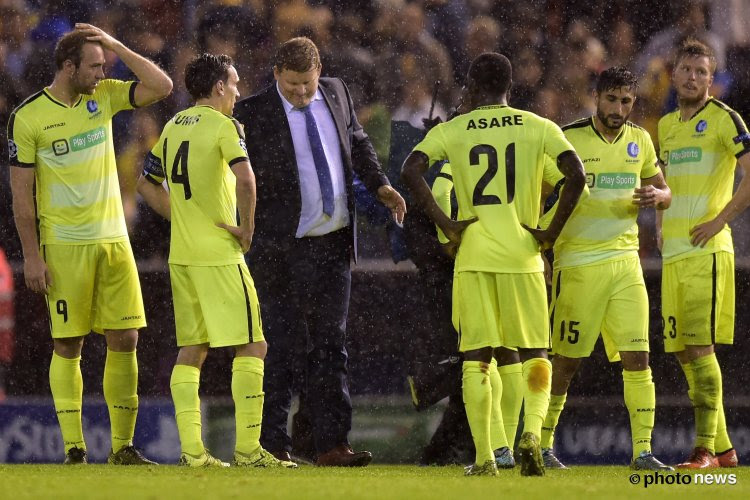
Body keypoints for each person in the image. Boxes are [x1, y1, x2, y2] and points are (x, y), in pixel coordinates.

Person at [401, 52, 586, 476]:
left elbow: (412, 169)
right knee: (536, 351)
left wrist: (447, 224)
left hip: (474, 253)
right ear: (509, 85)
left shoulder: (454, 128)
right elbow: (575, 175)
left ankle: (486, 457)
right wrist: (549, 233)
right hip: (523, 253)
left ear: (470, 82)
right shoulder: (539, 126)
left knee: (477, 358)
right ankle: (532, 436)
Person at [233, 37, 406, 467]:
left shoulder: (337, 91)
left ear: (319, 71)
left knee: (332, 346)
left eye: (307, 83)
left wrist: (380, 183)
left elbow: (359, 142)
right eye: (292, 84)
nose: (302, 92)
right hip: (279, 249)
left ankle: (330, 444)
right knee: (280, 347)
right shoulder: (251, 114)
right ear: (276, 73)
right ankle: (271, 445)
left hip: (333, 244)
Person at [7, 24, 172, 465]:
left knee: (126, 338)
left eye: (106, 65)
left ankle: (123, 447)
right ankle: (74, 448)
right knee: (69, 344)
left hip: (114, 241)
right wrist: (32, 255)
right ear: (68, 66)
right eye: (95, 65)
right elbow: (22, 198)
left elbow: (162, 85)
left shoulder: (106, 96)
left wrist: (116, 44)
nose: (103, 72)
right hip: (65, 247)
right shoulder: (28, 118)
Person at [136, 53, 296, 469]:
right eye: (235, 83)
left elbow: (145, 184)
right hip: (218, 254)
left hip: (182, 255)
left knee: (192, 349)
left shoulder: (172, 126)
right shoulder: (225, 126)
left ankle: (193, 453)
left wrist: (184, 218)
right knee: (254, 344)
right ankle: (247, 451)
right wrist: (246, 229)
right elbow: (245, 177)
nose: (239, 91)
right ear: (219, 86)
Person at [536, 67, 673, 471]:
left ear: (634, 102)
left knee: (639, 357)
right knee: (565, 362)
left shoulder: (641, 140)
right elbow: (538, 194)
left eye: (626, 101)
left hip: (625, 262)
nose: (618, 108)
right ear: (596, 96)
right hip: (577, 263)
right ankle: (542, 444)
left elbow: (665, 192)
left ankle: (643, 452)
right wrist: (541, 250)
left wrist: (658, 195)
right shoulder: (568, 138)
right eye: (611, 99)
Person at [658, 38, 750, 469]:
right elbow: (667, 186)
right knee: (681, 350)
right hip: (673, 254)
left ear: (711, 80)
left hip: (706, 252)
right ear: (674, 74)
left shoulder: (725, 120)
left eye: (700, 72)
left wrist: (720, 221)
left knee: (700, 347)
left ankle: (704, 451)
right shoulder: (666, 126)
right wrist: (659, 224)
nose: (692, 77)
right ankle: (726, 448)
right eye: (686, 70)